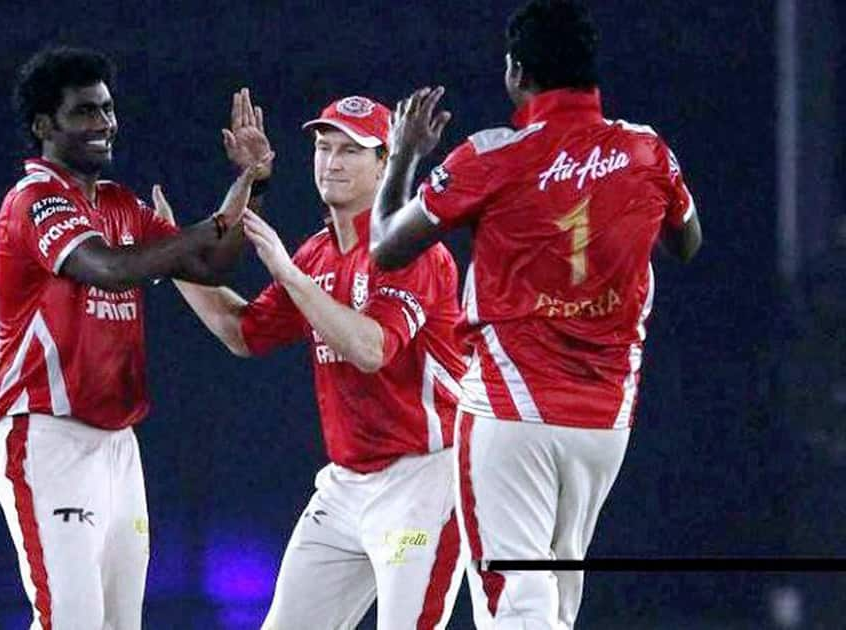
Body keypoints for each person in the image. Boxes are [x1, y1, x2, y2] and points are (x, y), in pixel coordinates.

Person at [368, 1, 703, 628]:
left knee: (516, 605)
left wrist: (401, 157)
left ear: (517, 73)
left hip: (510, 413)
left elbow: (386, 246)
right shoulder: (647, 151)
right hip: (605, 422)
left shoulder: (493, 155)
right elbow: (688, 243)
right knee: (554, 603)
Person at [0, 46, 271, 629]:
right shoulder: (33, 202)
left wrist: (253, 181)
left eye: (108, 110)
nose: (104, 124)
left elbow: (212, 266)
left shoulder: (119, 203)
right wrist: (209, 224)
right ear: (44, 125)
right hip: (46, 436)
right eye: (85, 112)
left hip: (118, 444)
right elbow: (111, 268)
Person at [155, 96, 468, 629]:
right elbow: (242, 333)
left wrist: (290, 277)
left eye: (352, 150)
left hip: (422, 485)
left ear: (386, 161)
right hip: (345, 489)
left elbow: (370, 350)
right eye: (324, 147)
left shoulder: (414, 250)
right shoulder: (316, 254)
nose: (333, 162)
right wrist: (172, 258)